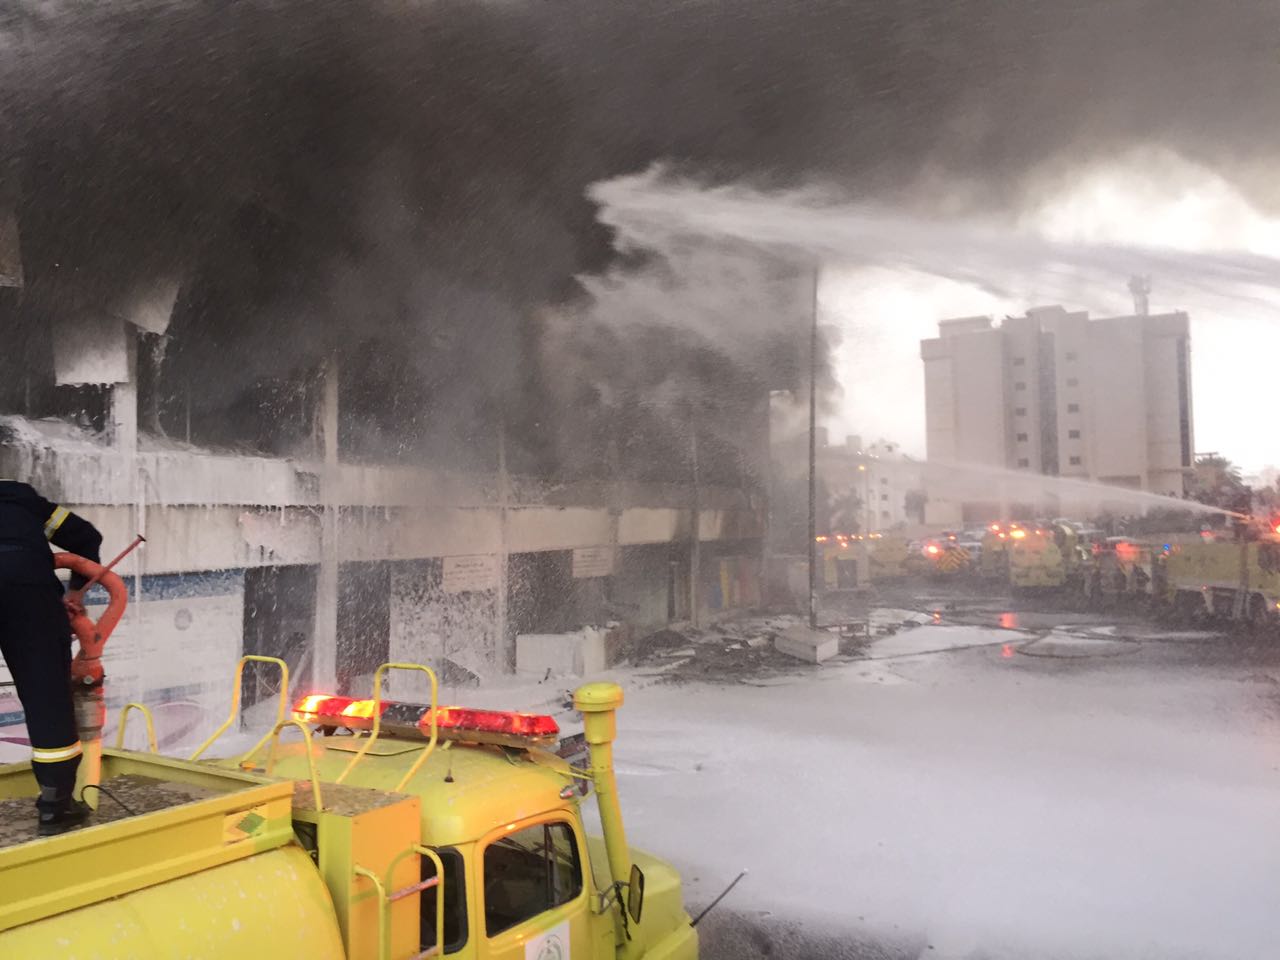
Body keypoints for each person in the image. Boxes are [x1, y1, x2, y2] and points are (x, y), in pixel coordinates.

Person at [0, 479, 103, 835]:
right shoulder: (19, 498)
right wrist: (74, 593)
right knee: (47, 699)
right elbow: (86, 537)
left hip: (26, 591)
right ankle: (55, 806)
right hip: (29, 595)